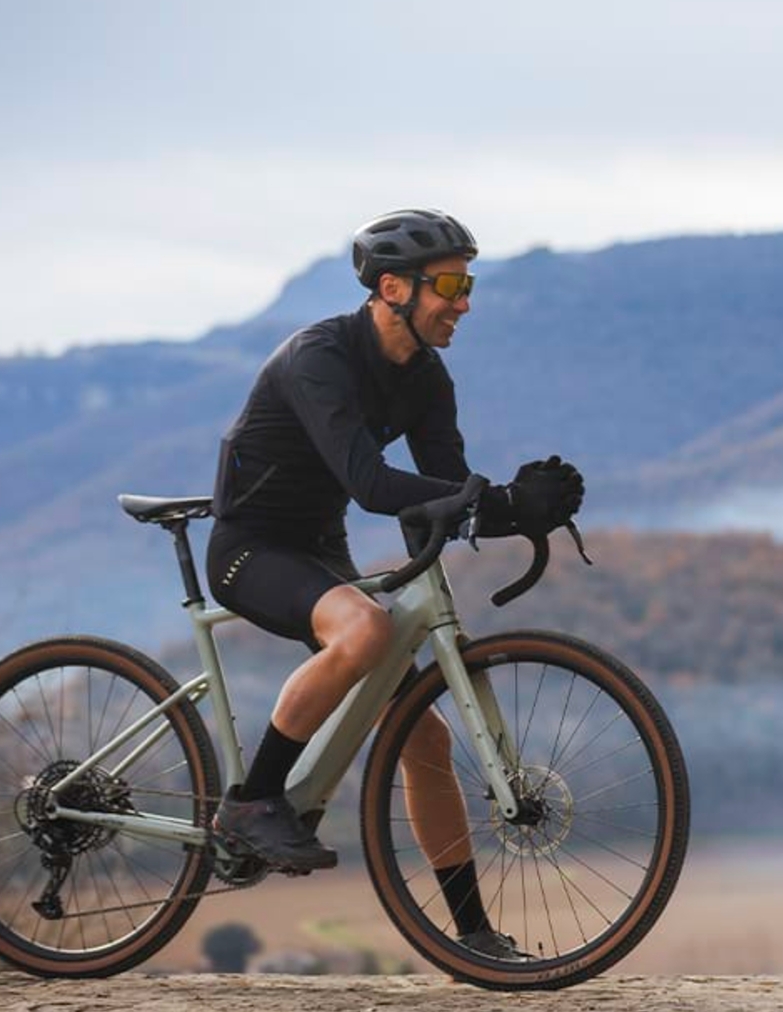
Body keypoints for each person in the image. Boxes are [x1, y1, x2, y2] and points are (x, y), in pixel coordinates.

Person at [205, 208, 584, 959]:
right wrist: (477, 500)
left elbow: (439, 494)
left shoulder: (425, 378)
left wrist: (509, 506)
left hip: (319, 550)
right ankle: (252, 803)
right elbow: (373, 482)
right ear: (392, 287)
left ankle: (471, 935)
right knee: (364, 630)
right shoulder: (320, 358)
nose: (464, 302)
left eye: (468, 283)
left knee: (424, 738)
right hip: (251, 547)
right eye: (449, 284)